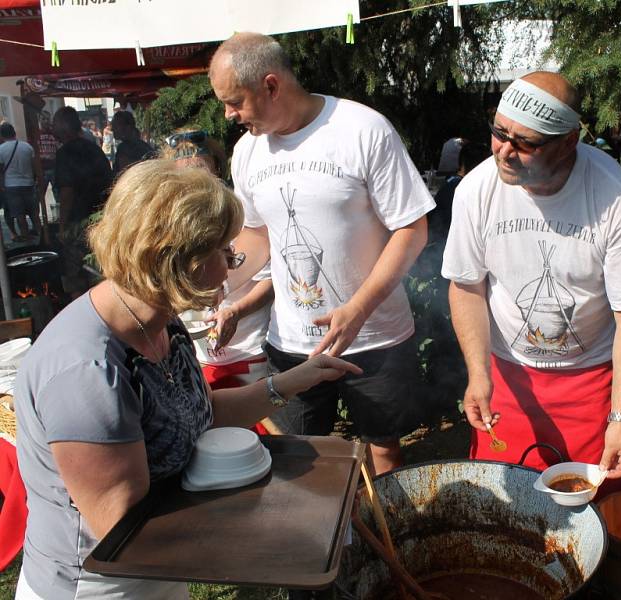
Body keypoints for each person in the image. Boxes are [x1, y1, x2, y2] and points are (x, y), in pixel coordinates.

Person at [13, 160, 361, 599]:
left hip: (161, 570)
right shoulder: (87, 371)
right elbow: (123, 523)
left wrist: (292, 381)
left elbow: (202, 414)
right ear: (173, 259)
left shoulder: (161, 322)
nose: (233, 265)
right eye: (222, 252)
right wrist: (269, 520)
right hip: (101, 585)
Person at [209, 33, 434, 474]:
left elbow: (412, 228)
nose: (228, 114)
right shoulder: (247, 152)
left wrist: (358, 309)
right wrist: (223, 290)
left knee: (383, 447)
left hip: (375, 336)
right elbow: (257, 238)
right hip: (292, 342)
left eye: (234, 101)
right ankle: (322, 542)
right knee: (296, 454)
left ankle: (385, 534)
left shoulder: (361, 129)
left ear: (271, 86)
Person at [442, 72, 621, 491]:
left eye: (526, 143)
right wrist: (478, 375)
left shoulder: (615, 198)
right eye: (499, 133)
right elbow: (467, 287)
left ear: (569, 142)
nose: (505, 151)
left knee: (588, 514)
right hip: (506, 380)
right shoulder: (476, 190)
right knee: (499, 503)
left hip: (588, 384)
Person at [164, 129, 274, 397]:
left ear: (217, 168)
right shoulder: (168, 223)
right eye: (184, 177)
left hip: (248, 351)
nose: (194, 185)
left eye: (201, 173)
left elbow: (270, 281)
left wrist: (235, 311)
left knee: (256, 433)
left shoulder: (241, 216)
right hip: (194, 354)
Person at [52, 106, 114, 298]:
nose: (52, 129)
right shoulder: (94, 149)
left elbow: (67, 191)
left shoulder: (65, 153)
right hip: (101, 219)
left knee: (76, 276)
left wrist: (62, 227)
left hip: (78, 224)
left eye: (55, 125)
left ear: (64, 128)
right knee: (102, 272)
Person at [0, 123, 43, 240]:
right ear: (14, 132)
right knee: (34, 213)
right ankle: (41, 235)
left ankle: (25, 236)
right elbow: (35, 166)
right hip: (29, 184)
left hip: (11, 186)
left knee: (20, 214)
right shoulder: (27, 147)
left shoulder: (1, 150)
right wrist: (38, 179)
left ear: (2, 135)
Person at [111, 110, 154, 177]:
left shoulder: (125, 148)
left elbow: (124, 175)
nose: (112, 129)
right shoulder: (143, 145)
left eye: (115, 126)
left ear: (128, 127)